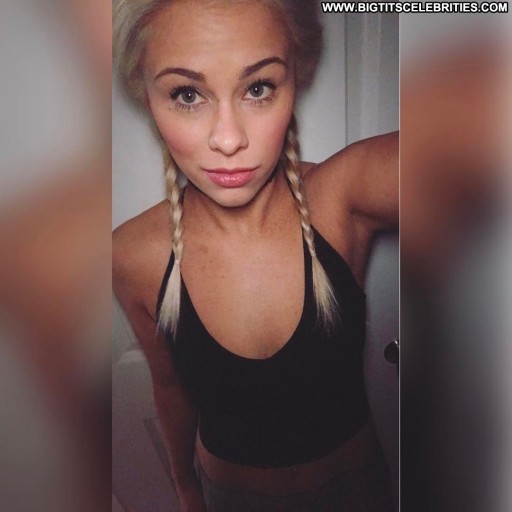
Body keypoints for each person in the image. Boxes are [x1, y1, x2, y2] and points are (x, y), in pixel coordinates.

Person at [113, 1, 398, 511]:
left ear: (294, 79)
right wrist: (185, 487)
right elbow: (169, 386)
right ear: (148, 96)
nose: (229, 139)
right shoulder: (132, 255)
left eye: (259, 87)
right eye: (187, 94)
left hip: (359, 490)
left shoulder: (340, 197)